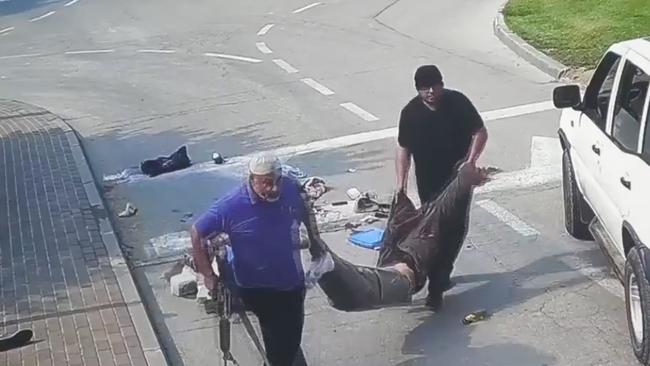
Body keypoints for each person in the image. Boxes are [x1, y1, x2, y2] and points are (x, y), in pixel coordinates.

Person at [306, 163, 491, 312]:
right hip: (402, 270)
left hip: (397, 266)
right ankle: (326, 260)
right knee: (365, 286)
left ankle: (325, 260)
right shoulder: (420, 229)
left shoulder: (411, 229)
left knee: (361, 287)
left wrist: (401, 186)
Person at [191, 153, 314, 366]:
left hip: (292, 283)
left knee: (291, 336)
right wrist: (208, 275)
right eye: (267, 183)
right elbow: (197, 232)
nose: (274, 188)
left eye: (276, 181)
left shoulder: (291, 187)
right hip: (256, 288)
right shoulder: (231, 205)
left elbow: (305, 209)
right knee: (280, 345)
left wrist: (316, 241)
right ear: (253, 180)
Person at [395, 64, 489, 311]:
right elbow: (403, 149)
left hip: (457, 181)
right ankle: (435, 277)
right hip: (428, 184)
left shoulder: (457, 103)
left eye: (435, 85)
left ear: (442, 84)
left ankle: (437, 284)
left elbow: (480, 132)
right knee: (431, 233)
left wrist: (470, 162)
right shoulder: (410, 113)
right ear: (418, 90)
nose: (431, 92)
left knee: (453, 230)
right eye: (424, 88)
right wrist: (401, 184)